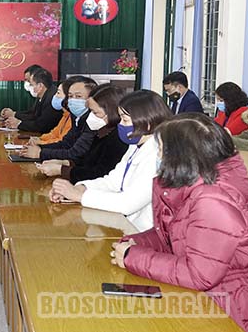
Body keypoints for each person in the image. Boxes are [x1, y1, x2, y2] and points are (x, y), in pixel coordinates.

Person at [111, 113, 248, 332]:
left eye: (161, 149)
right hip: (204, 296)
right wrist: (136, 242)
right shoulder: (192, 185)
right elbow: (173, 234)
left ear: (180, 155)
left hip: (226, 308)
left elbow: (199, 275)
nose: (157, 155)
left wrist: (133, 257)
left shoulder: (213, 201)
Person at [49, 90, 172, 232]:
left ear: (148, 123)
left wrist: (80, 196)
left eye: (125, 120)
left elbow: (128, 203)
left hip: (142, 231)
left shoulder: (156, 155)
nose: (120, 124)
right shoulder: (136, 145)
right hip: (123, 224)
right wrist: (80, 188)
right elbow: (112, 181)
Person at [37, 84, 128, 183]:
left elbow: (100, 173)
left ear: (112, 112)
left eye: (95, 113)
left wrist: (61, 170)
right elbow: (87, 160)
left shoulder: (118, 138)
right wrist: (65, 163)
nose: (91, 116)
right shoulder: (100, 130)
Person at [20, 76, 97, 162]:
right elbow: (66, 144)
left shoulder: (92, 122)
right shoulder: (76, 117)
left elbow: (76, 153)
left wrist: (41, 153)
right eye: (70, 96)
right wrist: (39, 148)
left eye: (78, 96)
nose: (73, 100)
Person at [4, 68, 62, 133]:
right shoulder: (42, 94)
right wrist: (15, 116)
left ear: (40, 86)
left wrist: (19, 124)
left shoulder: (51, 99)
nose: (30, 87)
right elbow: (33, 115)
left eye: (31, 84)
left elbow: (42, 126)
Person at [28, 78, 75, 145]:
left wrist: (42, 142)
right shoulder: (66, 115)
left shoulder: (73, 119)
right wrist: (40, 138)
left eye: (58, 93)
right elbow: (54, 134)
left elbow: (61, 141)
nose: (55, 96)